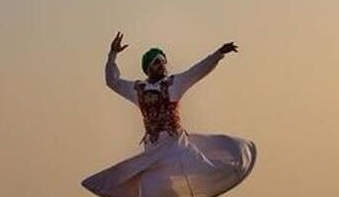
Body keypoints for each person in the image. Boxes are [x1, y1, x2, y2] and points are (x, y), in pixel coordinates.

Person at [81, 32, 257, 197]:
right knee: (151, 189)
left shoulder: (174, 83)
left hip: (177, 149)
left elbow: (197, 71)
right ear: (148, 68)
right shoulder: (138, 90)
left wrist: (218, 54)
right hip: (153, 153)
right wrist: (112, 54)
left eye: (163, 61)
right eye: (157, 62)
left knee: (207, 171)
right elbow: (113, 82)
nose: (162, 65)